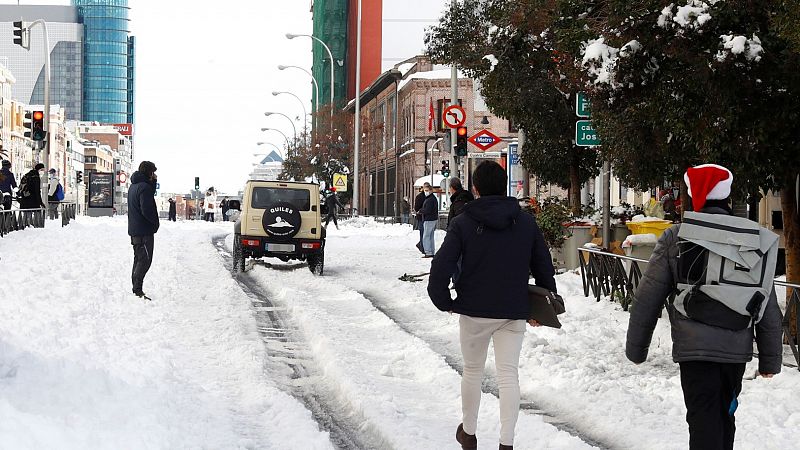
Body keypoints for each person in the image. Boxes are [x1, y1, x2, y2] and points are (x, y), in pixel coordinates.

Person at [626, 164, 782, 450]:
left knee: (702, 420)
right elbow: (766, 299)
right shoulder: (751, 238)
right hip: (735, 348)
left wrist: (636, 348)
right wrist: (770, 359)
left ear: (694, 194)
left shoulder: (677, 236)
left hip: (695, 350)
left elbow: (648, 297)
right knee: (726, 415)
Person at [428, 161, 556, 450]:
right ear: (504, 186)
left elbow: (441, 265)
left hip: (473, 310)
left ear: (475, 189)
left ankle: (469, 434)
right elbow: (543, 265)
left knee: (472, 371)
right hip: (513, 310)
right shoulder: (525, 222)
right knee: (508, 375)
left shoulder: (463, 222)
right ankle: (506, 443)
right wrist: (542, 309)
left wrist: (444, 301)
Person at [128, 161, 160, 300]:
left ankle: (136, 289)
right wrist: (155, 223)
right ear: (149, 173)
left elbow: (148, 193)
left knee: (139, 259)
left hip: (135, 229)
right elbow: (147, 209)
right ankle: (137, 291)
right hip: (144, 231)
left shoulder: (134, 186)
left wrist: (152, 183)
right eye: (153, 172)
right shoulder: (144, 188)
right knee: (145, 261)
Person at [420, 184, 439, 258]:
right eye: (425, 190)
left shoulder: (430, 199)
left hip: (429, 219)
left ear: (431, 190)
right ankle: (431, 251)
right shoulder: (432, 198)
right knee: (430, 236)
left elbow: (428, 210)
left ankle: (428, 251)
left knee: (426, 236)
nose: (426, 192)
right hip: (432, 218)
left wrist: (421, 210)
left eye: (427, 190)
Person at [413, 183, 430, 254]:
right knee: (423, 233)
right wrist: (421, 211)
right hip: (421, 218)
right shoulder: (420, 197)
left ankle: (422, 246)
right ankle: (423, 247)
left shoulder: (428, 197)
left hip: (426, 218)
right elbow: (416, 208)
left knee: (425, 234)